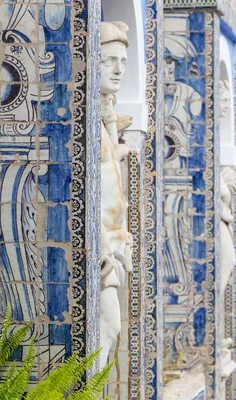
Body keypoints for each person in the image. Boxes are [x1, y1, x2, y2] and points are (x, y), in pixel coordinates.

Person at [99, 21, 134, 368]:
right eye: (109, 60)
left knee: (111, 332)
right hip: (101, 247)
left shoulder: (97, 122)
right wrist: (104, 247)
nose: (119, 69)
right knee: (108, 327)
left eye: (123, 62)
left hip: (114, 243)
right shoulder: (81, 124)